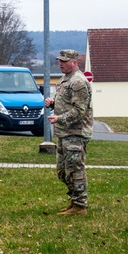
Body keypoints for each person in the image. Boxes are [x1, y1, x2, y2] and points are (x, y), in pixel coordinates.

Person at [44, 50, 93, 215]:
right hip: (64, 132)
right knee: (63, 171)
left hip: (76, 133)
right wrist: (53, 103)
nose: (60, 63)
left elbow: (80, 111)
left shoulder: (78, 82)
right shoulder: (65, 79)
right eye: (59, 60)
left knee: (75, 169)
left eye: (64, 61)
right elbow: (67, 103)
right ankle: (74, 201)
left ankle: (80, 205)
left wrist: (59, 119)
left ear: (74, 62)